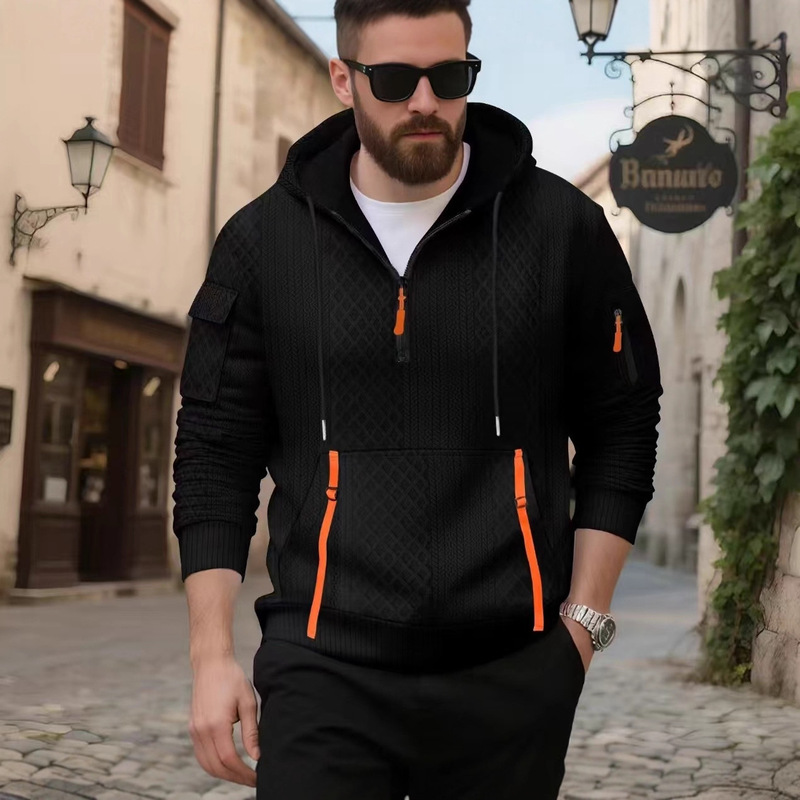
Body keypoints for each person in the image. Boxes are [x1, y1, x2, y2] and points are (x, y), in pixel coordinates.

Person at [172, 1, 663, 797]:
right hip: (321, 667)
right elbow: (213, 448)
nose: (426, 102)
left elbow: (624, 421)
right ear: (344, 79)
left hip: (512, 672)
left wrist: (582, 626)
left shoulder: (561, 228)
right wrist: (211, 656)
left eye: (450, 77)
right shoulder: (262, 243)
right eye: (396, 80)